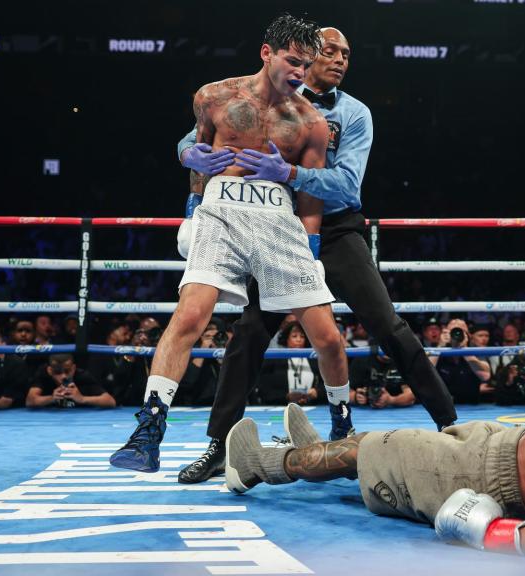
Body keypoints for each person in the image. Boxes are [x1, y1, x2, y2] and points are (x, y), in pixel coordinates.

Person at [175, 25, 456, 484]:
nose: (340, 60)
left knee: (387, 324)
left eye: (347, 53)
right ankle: (218, 446)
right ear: (303, 56)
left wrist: (287, 171)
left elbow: (348, 184)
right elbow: (192, 139)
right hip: (277, 228)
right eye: (330, 51)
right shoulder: (267, 95)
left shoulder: (355, 114)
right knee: (248, 334)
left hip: (339, 230)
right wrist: (191, 154)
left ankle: (448, 422)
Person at [225, 294, 525, 555]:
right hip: (502, 447)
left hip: (485, 477)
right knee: (404, 443)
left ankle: (260, 464)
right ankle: (320, 452)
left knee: (372, 447)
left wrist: (494, 535)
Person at [110, 14, 350, 473]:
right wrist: (190, 203)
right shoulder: (213, 97)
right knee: (191, 315)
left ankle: (342, 427)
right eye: (292, 62)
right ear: (267, 53)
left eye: (305, 65)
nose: (300, 73)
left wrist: (312, 245)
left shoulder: (311, 123)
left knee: (329, 339)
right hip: (220, 209)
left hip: (278, 218)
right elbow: (199, 158)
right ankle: (149, 430)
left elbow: (311, 195)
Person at [430, 318, 491, 404]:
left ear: (468, 335)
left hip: (471, 406)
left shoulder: (475, 350)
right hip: (441, 405)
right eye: (453, 331)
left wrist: (465, 350)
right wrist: (440, 346)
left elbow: (485, 376)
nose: (457, 335)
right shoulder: (436, 351)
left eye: (461, 331)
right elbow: (424, 374)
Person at [26, 354, 116, 408]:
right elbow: (29, 401)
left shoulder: (82, 376)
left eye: (67, 371)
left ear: (73, 368)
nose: (63, 376)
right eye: (58, 372)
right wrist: (51, 398)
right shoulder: (43, 375)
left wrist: (82, 399)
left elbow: (110, 401)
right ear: (50, 370)